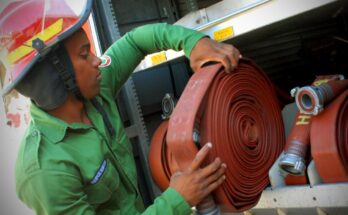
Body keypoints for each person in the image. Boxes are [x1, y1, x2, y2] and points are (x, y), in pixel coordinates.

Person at [1, 0, 240, 214]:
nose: (97, 61)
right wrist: (177, 200)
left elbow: (135, 42)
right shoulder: (45, 172)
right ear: (56, 78)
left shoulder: (96, 91)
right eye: (85, 55)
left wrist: (194, 43)